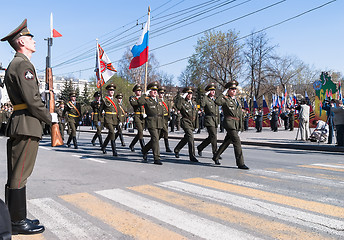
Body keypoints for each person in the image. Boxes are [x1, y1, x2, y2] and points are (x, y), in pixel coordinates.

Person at [1, 19, 57, 234]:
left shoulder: (16, 63)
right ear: (22, 41)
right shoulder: (23, 64)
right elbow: (32, 99)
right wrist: (49, 117)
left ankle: (16, 218)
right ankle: (16, 222)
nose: (35, 41)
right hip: (26, 123)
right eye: (31, 38)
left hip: (21, 121)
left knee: (18, 172)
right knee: (20, 174)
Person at [212, 80, 249, 169]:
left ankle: (216, 156)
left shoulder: (237, 100)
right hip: (229, 123)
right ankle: (240, 163)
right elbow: (217, 102)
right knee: (237, 142)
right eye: (232, 89)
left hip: (236, 124)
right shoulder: (225, 99)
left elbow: (239, 114)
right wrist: (223, 93)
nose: (234, 91)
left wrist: (240, 127)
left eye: (235, 89)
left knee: (227, 141)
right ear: (228, 90)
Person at [138, 82, 164, 165]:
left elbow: (161, 112)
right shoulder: (146, 99)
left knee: (156, 138)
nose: (155, 92)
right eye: (153, 90)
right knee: (155, 138)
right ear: (149, 91)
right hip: (151, 121)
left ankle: (145, 149)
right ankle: (156, 157)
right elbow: (139, 102)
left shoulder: (159, 100)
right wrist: (144, 94)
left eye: (156, 90)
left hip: (159, 121)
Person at [174, 87, 199, 162]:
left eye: (191, 93)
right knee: (191, 137)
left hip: (192, 122)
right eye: (188, 93)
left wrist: (197, 126)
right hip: (185, 121)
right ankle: (192, 156)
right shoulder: (182, 102)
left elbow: (196, 114)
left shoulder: (194, 103)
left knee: (187, 138)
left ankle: (177, 149)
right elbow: (177, 107)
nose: (189, 95)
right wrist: (182, 97)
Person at [197, 83, 219, 158]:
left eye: (213, 90)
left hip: (215, 120)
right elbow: (202, 105)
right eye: (211, 90)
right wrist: (205, 96)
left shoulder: (215, 99)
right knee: (214, 136)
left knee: (211, 137)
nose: (213, 91)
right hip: (209, 119)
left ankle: (200, 147)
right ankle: (215, 153)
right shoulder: (206, 99)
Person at [101, 83, 119, 156]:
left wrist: (120, 120)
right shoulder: (104, 99)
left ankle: (103, 146)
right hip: (108, 118)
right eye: (110, 90)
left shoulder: (115, 100)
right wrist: (101, 120)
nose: (111, 91)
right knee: (112, 132)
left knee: (110, 134)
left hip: (114, 118)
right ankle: (114, 151)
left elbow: (118, 110)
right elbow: (100, 110)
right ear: (108, 91)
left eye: (113, 90)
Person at [128, 84, 145, 151]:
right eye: (137, 91)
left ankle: (132, 144)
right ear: (135, 91)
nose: (139, 92)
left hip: (143, 116)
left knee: (140, 133)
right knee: (140, 131)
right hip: (137, 116)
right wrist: (142, 98)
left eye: (140, 91)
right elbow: (135, 103)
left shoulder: (143, 98)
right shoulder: (132, 98)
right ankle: (143, 148)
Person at [158, 86, 172, 152]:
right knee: (165, 132)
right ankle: (167, 147)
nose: (162, 94)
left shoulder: (166, 100)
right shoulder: (157, 100)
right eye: (160, 93)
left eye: (163, 93)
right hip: (160, 118)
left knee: (161, 134)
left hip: (166, 118)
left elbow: (168, 108)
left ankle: (152, 144)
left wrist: (169, 116)